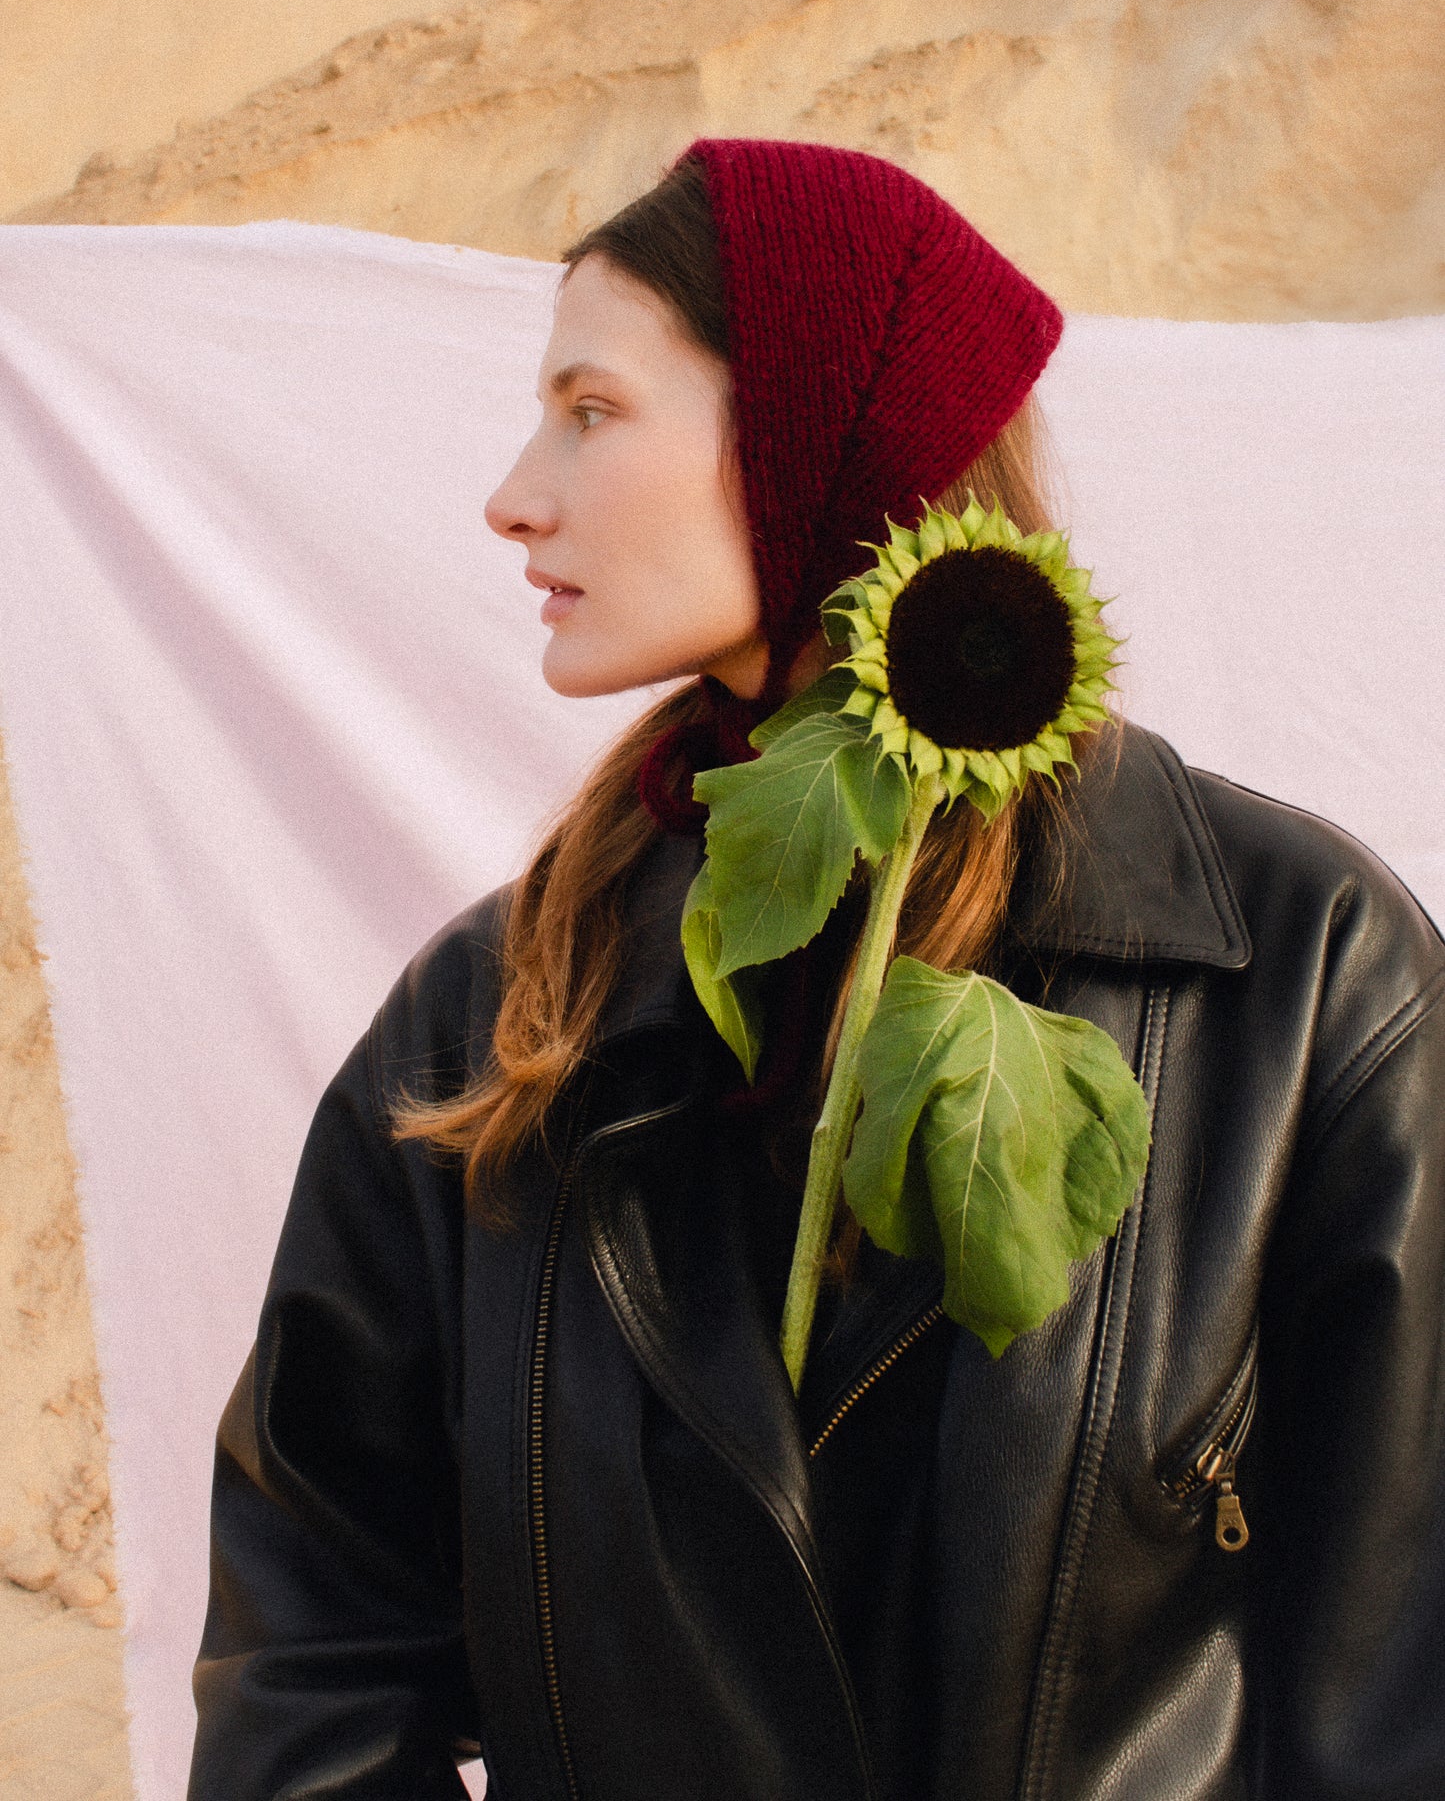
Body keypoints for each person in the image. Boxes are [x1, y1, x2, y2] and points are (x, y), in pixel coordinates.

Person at [188, 140, 1445, 1801]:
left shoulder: (1296, 982)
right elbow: (313, 1662)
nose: (515, 490)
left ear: (812, 430)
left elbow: (1402, 1697)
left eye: (592, 408)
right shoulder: (498, 1021)